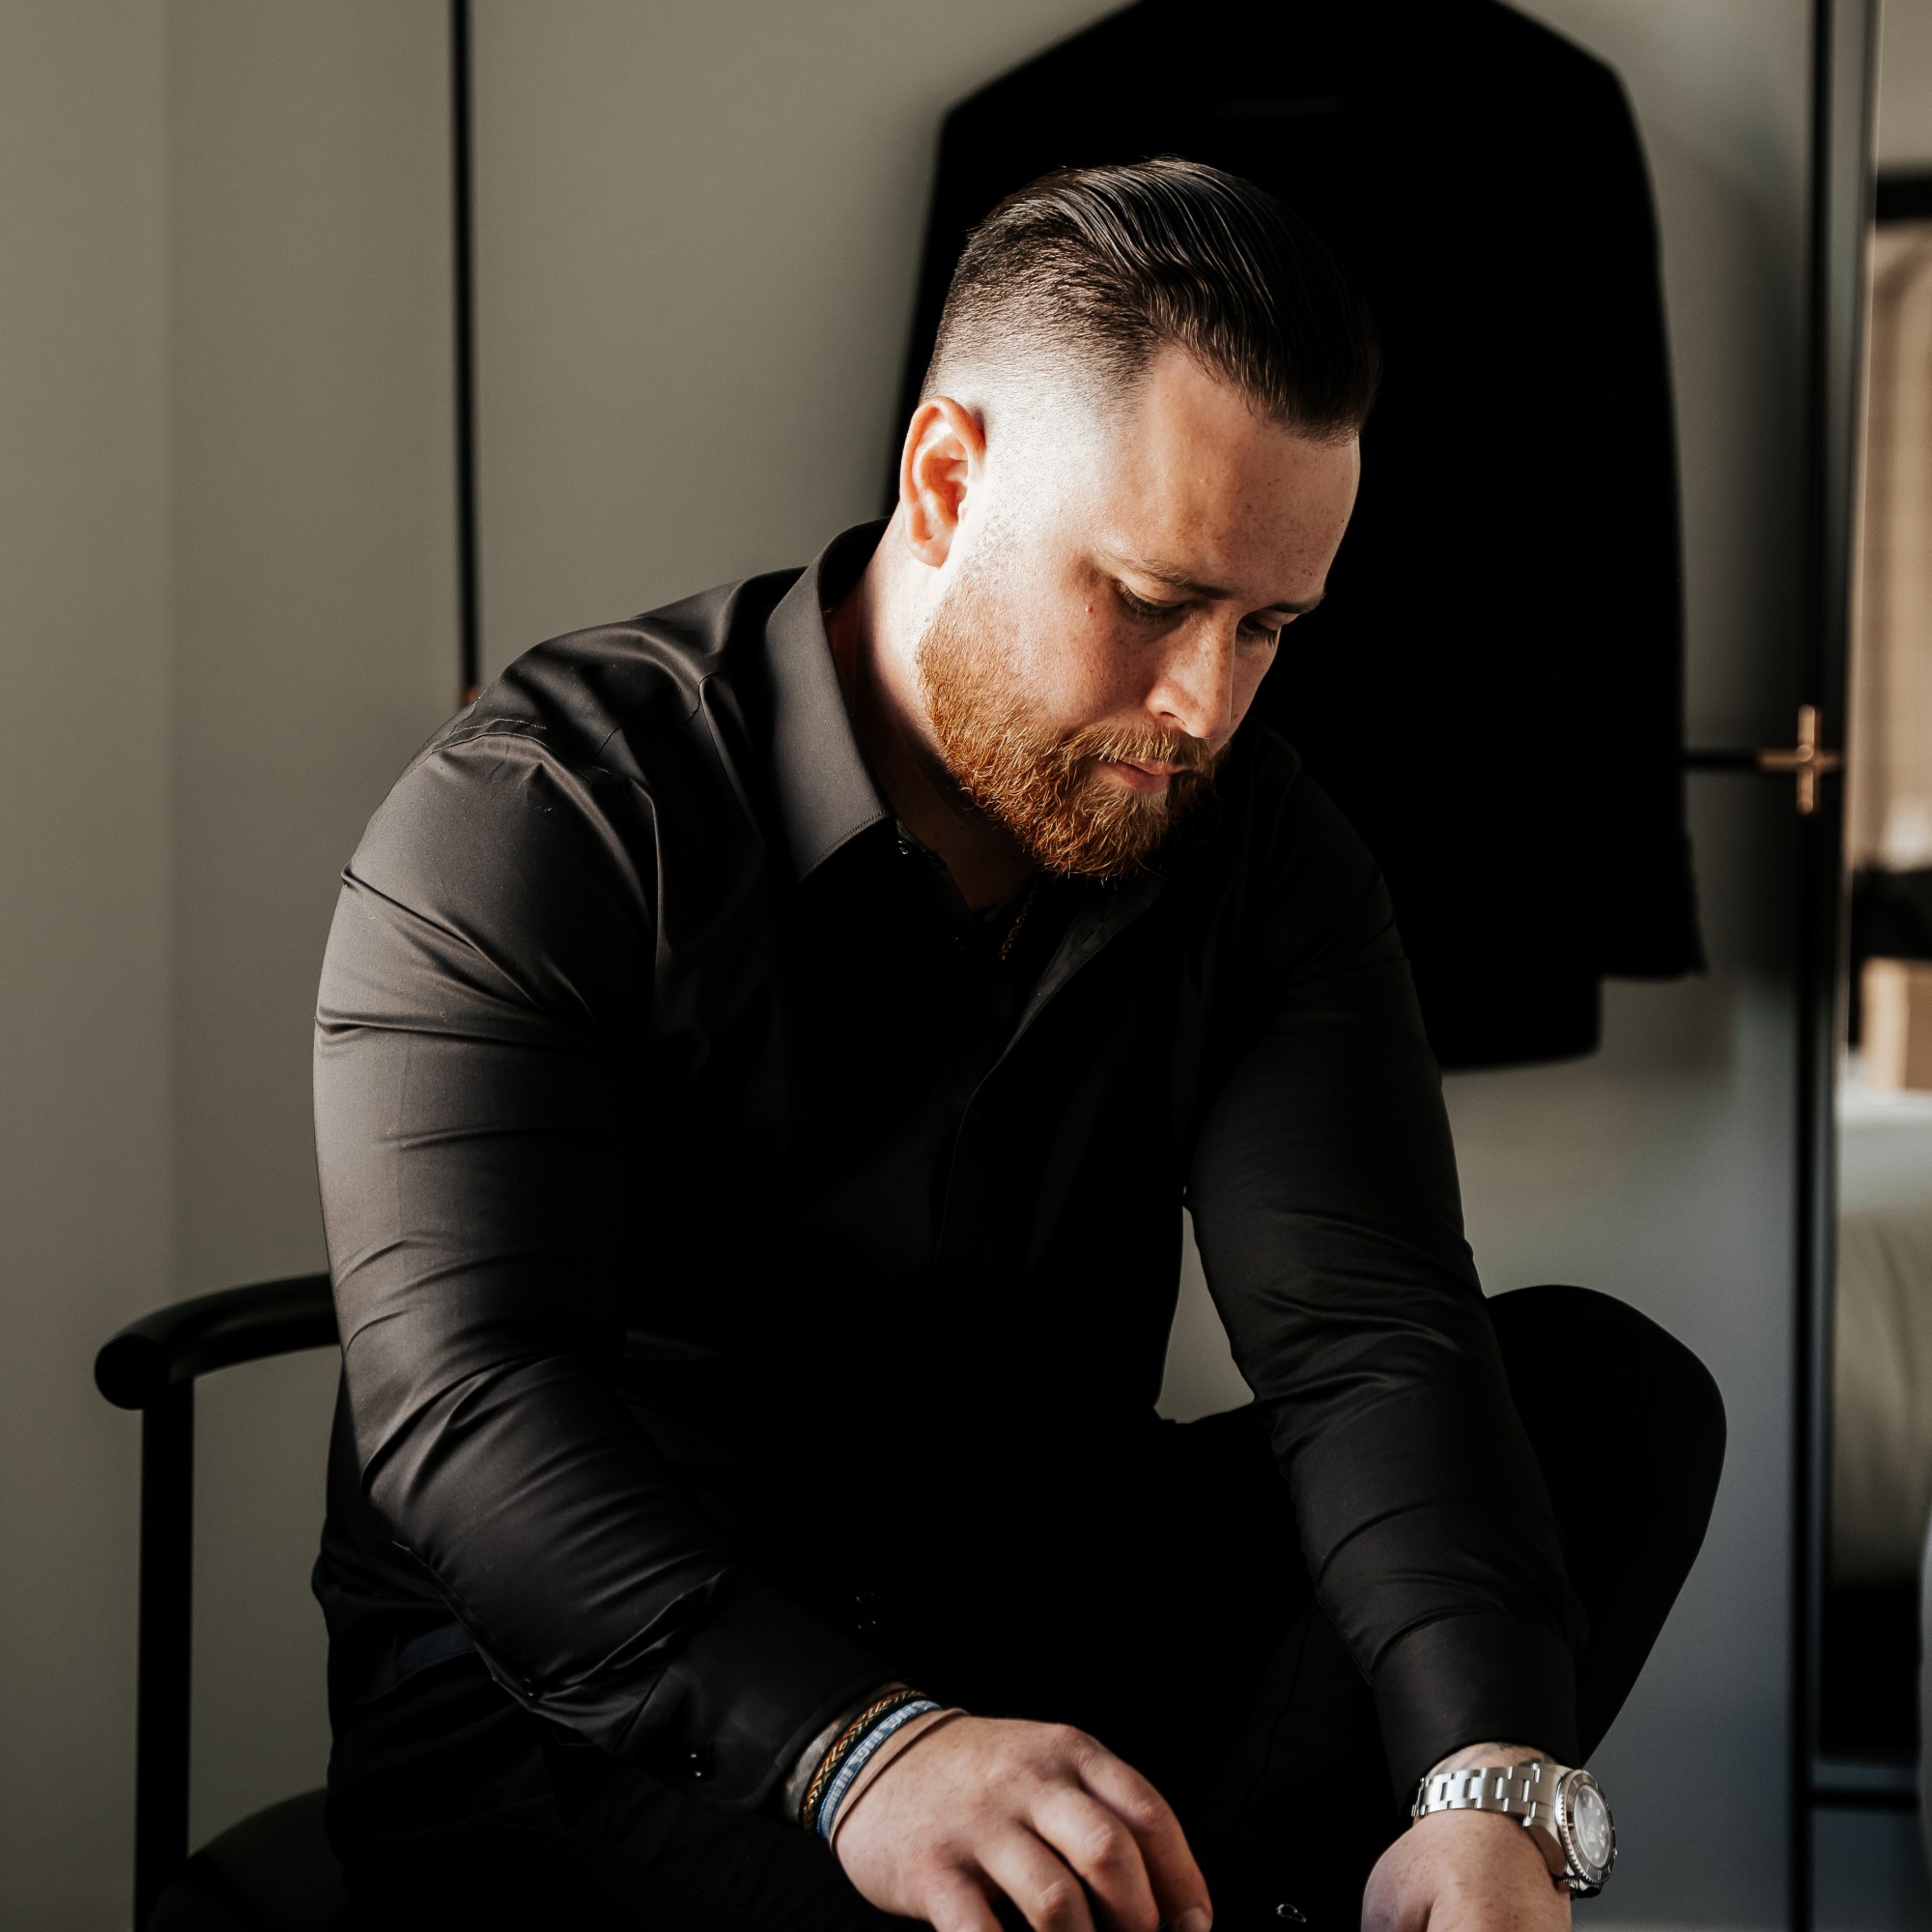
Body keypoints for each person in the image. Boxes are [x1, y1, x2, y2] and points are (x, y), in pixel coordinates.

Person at [312, 159, 1724, 1932]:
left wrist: (1483, 1784)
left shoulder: (1260, 850)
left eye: (1268, 629)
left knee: (1606, 1397)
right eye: (1150, 597)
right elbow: (471, 1407)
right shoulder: (546, 812)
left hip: (1024, 1608)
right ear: (945, 481)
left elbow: (1367, 1340)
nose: (1205, 703)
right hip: (606, 1705)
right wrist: (858, 1751)